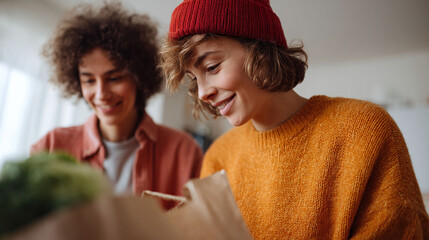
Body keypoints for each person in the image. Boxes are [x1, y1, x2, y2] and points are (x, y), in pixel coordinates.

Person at [159, 0, 429, 238]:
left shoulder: (365, 130)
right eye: (194, 78)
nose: (203, 92)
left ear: (259, 48)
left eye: (212, 67)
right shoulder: (218, 158)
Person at [31, 3, 203, 207]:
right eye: (89, 80)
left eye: (114, 78)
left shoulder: (183, 152)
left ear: (138, 78)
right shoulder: (51, 147)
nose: (101, 94)